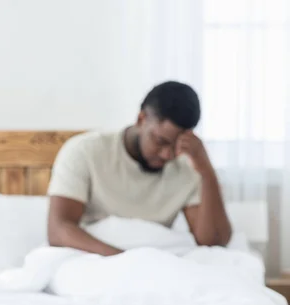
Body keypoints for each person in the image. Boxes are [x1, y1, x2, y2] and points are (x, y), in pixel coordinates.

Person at [47, 81, 231, 256]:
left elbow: (213, 242)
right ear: (141, 119)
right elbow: (59, 229)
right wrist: (127, 260)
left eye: (177, 145)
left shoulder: (189, 166)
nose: (168, 155)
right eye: (160, 141)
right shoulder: (86, 151)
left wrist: (206, 171)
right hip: (96, 256)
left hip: (154, 259)